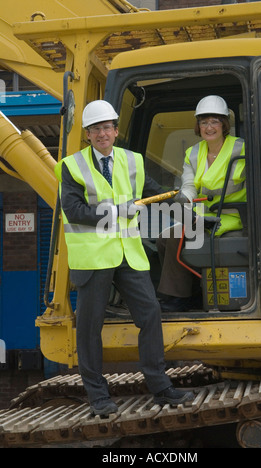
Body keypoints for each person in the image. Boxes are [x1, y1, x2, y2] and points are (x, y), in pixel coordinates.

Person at [54, 100, 193, 416]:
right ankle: (98, 397)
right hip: (93, 257)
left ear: (116, 131)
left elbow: (153, 191)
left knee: (150, 314)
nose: (102, 134)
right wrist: (117, 212)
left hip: (128, 253)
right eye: (95, 129)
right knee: (90, 328)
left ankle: (160, 388)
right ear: (87, 135)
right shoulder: (71, 166)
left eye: (106, 128)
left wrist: (179, 195)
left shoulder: (133, 162)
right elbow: (73, 211)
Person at [157, 95, 246, 312]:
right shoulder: (194, 153)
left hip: (235, 218)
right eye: (204, 122)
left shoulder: (241, 148)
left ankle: (202, 296)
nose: (209, 127)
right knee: (166, 238)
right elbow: (189, 184)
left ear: (224, 124)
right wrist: (184, 198)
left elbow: (240, 184)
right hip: (203, 218)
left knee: (227, 248)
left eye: (214, 121)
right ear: (198, 126)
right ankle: (185, 295)